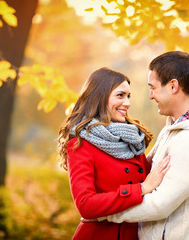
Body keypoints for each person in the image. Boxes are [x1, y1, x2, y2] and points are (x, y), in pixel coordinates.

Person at [99, 51, 189, 240]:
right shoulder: (175, 129)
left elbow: (160, 204)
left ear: (173, 86)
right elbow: (144, 172)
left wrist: (105, 214)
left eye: (153, 87)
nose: (151, 96)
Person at [58, 67, 170, 240]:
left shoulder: (131, 138)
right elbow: (85, 204)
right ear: (100, 97)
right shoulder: (81, 143)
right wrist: (140, 189)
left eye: (128, 96)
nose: (127, 103)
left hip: (135, 233)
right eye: (120, 95)